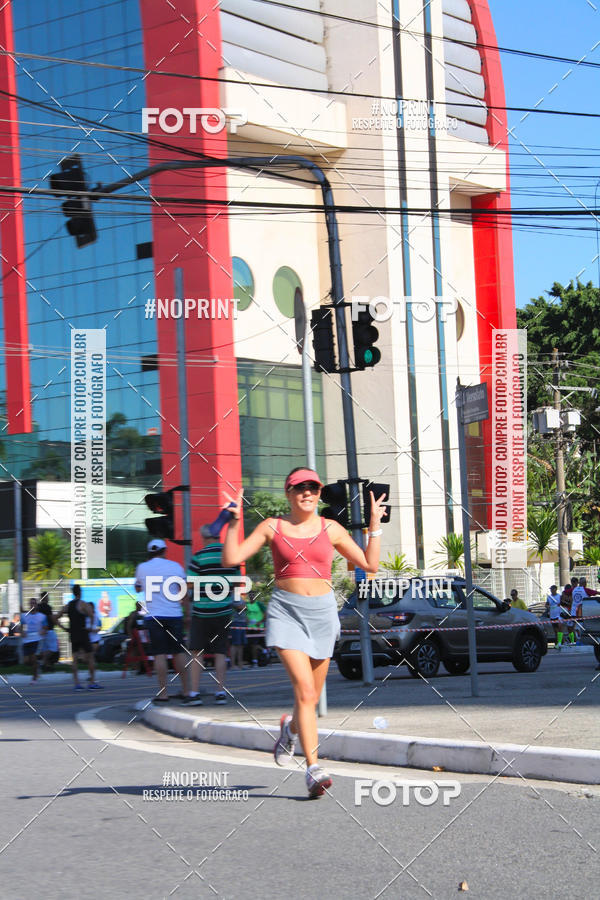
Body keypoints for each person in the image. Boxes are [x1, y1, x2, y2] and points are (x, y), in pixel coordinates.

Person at [222, 467, 386, 798]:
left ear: (320, 492)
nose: (306, 493)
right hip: (286, 613)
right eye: (299, 488)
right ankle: (314, 768)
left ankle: (290, 729)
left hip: (323, 615)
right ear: (288, 493)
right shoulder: (273, 526)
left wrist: (373, 527)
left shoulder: (332, 529)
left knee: (308, 697)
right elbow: (232, 558)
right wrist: (234, 522)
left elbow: (369, 566)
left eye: (313, 487)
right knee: (306, 693)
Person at [186, 523, 243, 705]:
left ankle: (194, 693)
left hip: (201, 612)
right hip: (223, 612)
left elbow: (189, 583)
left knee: (196, 653)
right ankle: (220, 693)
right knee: (220, 652)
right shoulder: (230, 556)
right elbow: (237, 581)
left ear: (204, 538)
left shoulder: (199, 557)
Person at [135, 538, 190, 703]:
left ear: (149, 553)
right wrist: (187, 614)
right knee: (178, 652)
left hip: (154, 617)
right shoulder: (175, 566)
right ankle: (187, 691)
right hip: (174, 615)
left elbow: (137, 588)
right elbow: (184, 592)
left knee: (159, 655)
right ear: (165, 551)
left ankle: (163, 693)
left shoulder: (142, 568)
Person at [57, 584, 103, 690]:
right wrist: (90, 627)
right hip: (83, 633)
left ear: (73, 593)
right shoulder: (83, 604)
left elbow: (55, 617)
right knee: (90, 657)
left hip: (73, 634)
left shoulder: (68, 605)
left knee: (75, 659)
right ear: (80, 592)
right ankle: (91, 682)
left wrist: (65, 629)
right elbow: (91, 615)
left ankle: (77, 683)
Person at [21, 598, 48, 683]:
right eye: (31, 604)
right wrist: (22, 632)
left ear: (36, 605)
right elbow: (21, 627)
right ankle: (38, 665)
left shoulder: (42, 616)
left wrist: (43, 631)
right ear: (29, 605)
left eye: (34, 604)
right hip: (27, 639)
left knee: (33, 658)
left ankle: (34, 677)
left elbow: (46, 627)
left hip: (37, 639)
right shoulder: (24, 616)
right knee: (26, 661)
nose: (32, 605)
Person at [38, 594, 60, 671]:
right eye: (47, 597)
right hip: (49, 630)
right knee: (54, 648)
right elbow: (52, 618)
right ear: (45, 598)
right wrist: (59, 624)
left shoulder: (38, 607)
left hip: (41, 631)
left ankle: (47, 665)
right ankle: (43, 662)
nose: (48, 599)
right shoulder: (47, 607)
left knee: (45, 649)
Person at [245, 592, 267, 667]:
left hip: (258, 627)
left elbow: (265, 614)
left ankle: (255, 662)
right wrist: (247, 620)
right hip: (250, 627)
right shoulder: (246, 604)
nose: (251, 596)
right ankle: (262, 651)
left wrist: (260, 622)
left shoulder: (259, 604)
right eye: (250, 595)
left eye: (253, 595)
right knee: (251, 645)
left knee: (254, 644)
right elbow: (244, 614)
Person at [545, 585, 566, 650]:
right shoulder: (549, 597)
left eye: (552, 589)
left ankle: (561, 643)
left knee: (559, 629)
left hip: (558, 615)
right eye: (550, 589)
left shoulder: (559, 596)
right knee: (555, 631)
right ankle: (560, 642)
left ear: (555, 589)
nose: (551, 590)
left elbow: (563, 603)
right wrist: (547, 606)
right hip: (552, 615)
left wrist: (561, 604)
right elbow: (546, 604)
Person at [230, 597, 247, 670]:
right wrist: (244, 607)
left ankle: (240, 664)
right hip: (236, 622)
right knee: (235, 644)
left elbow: (244, 607)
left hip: (242, 622)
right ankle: (233, 665)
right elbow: (238, 607)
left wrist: (244, 607)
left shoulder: (240, 597)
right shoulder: (233, 596)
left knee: (241, 644)